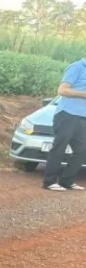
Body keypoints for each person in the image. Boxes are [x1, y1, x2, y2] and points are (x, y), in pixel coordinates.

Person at [43, 59, 86, 191]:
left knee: (82, 150)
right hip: (67, 114)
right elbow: (62, 90)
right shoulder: (77, 67)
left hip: (82, 116)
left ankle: (67, 181)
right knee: (59, 147)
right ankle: (49, 182)